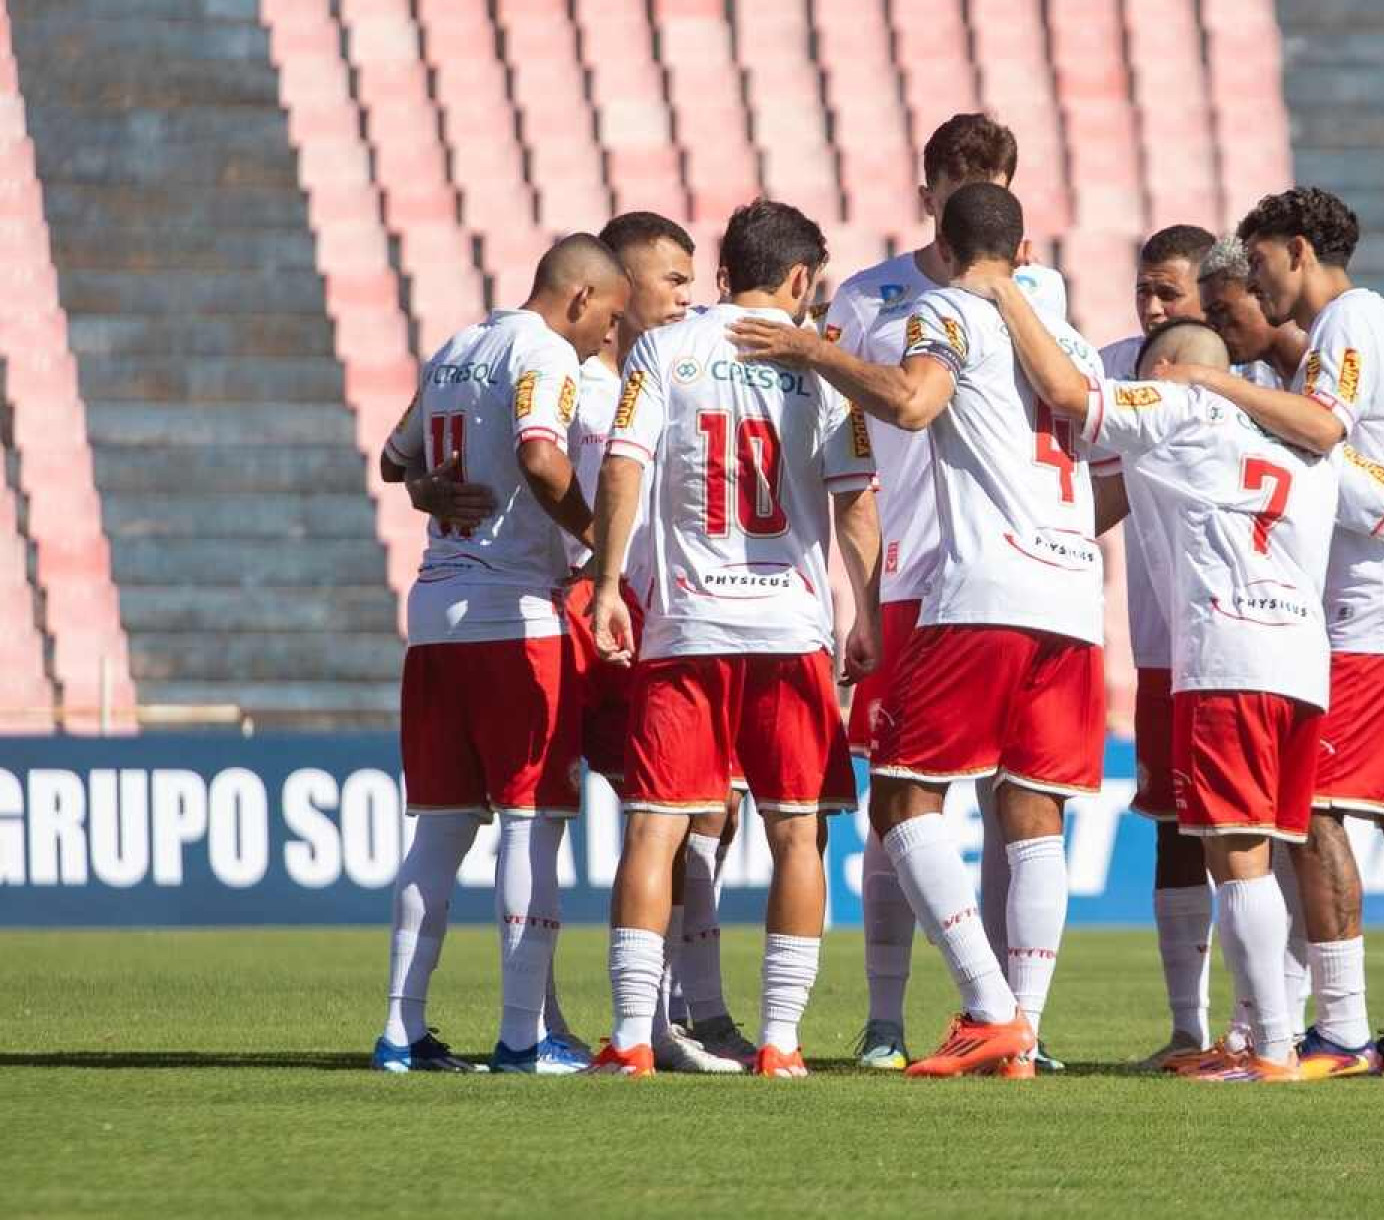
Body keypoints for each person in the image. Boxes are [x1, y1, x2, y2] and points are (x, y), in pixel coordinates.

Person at [1006, 316, 1384, 1080]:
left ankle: (1268, 1046)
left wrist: (1005, 294)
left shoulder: (1179, 409)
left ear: (1168, 368)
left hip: (1225, 657)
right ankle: (1264, 1037)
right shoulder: (1312, 444)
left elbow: (1070, 393)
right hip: (1305, 667)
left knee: (1236, 858)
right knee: (1266, 850)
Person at [739, 182, 1107, 1078]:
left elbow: (910, 402)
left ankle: (988, 1009)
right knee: (1032, 811)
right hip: (1075, 593)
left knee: (902, 799)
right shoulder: (1071, 345)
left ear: (940, 243)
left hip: (984, 585)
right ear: (1024, 252)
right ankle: (1025, 1027)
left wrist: (810, 351)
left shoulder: (945, 308)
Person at [585, 199, 881, 1079]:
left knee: (654, 829)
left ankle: (634, 1035)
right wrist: (860, 611)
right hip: (787, 630)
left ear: (724, 273)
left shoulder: (664, 348)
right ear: (800, 280)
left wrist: (606, 584)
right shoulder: (826, 368)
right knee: (797, 833)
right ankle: (782, 1043)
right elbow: (856, 499)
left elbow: (622, 464)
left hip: (687, 625)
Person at [1205, 187, 1384, 1078]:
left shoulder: (1341, 328)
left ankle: (1340, 1026)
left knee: (1319, 810)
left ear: (1299, 250)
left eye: (1258, 263)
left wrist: (1215, 384)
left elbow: (1328, 435)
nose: (1255, 281)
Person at [371, 234, 630, 1074]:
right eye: (609, 320)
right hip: (515, 614)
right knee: (531, 825)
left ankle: (400, 1033)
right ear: (581, 298)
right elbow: (539, 455)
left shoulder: (454, 349)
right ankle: (524, 1035)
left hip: (435, 613)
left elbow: (393, 457)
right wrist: (602, 545)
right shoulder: (542, 351)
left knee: (439, 834)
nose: (606, 341)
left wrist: (424, 492)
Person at [1091, 224, 1226, 1071]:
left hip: (1251, 638)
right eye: (1144, 290)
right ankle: (1189, 1027)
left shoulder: (1251, 373)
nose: (1151, 306)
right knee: (1175, 829)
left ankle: (1279, 1025)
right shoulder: (1115, 364)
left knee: (1260, 831)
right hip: (1158, 641)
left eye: (1168, 292)